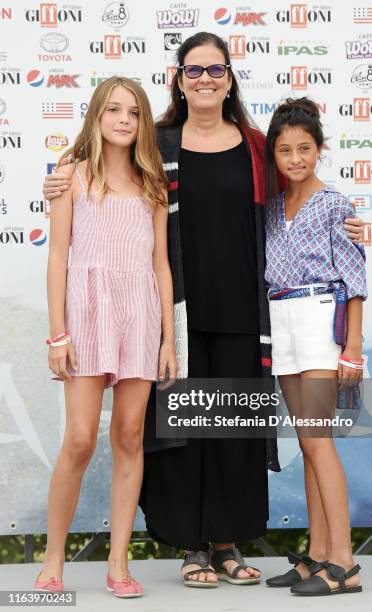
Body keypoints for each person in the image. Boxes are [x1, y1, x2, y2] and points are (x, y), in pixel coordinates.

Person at [42, 32, 365, 589]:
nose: (207, 79)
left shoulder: (258, 146)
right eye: (195, 71)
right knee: (181, 432)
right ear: (179, 80)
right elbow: (100, 157)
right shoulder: (155, 144)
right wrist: (60, 172)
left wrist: (347, 223)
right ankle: (191, 550)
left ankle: (226, 545)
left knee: (231, 431)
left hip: (244, 311)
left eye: (217, 69)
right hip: (174, 315)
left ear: (230, 78)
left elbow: (300, 183)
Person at [35, 77, 177, 598]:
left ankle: (118, 563)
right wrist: (57, 334)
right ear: (96, 115)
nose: (123, 119)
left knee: (129, 437)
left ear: (143, 123)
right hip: (87, 311)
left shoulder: (153, 183)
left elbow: (161, 265)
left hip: (139, 314)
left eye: (134, 112)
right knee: (78, 439)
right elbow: (57, 259)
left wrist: (168, 339)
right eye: (113, 109)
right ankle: (53, 560)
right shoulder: (69, 175)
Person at [264, 98, 366, 596]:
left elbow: (354, 281)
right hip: (280, 320)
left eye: (304, 148)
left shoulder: (336, 204)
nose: (296, 158)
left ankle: (345, 562)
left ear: (319, 149)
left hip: (320, 319)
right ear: (274, 156)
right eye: (285, 150)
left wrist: (353, 346)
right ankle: (319, 553)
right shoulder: (270, 210)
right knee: (306, 444)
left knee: (319, 440)